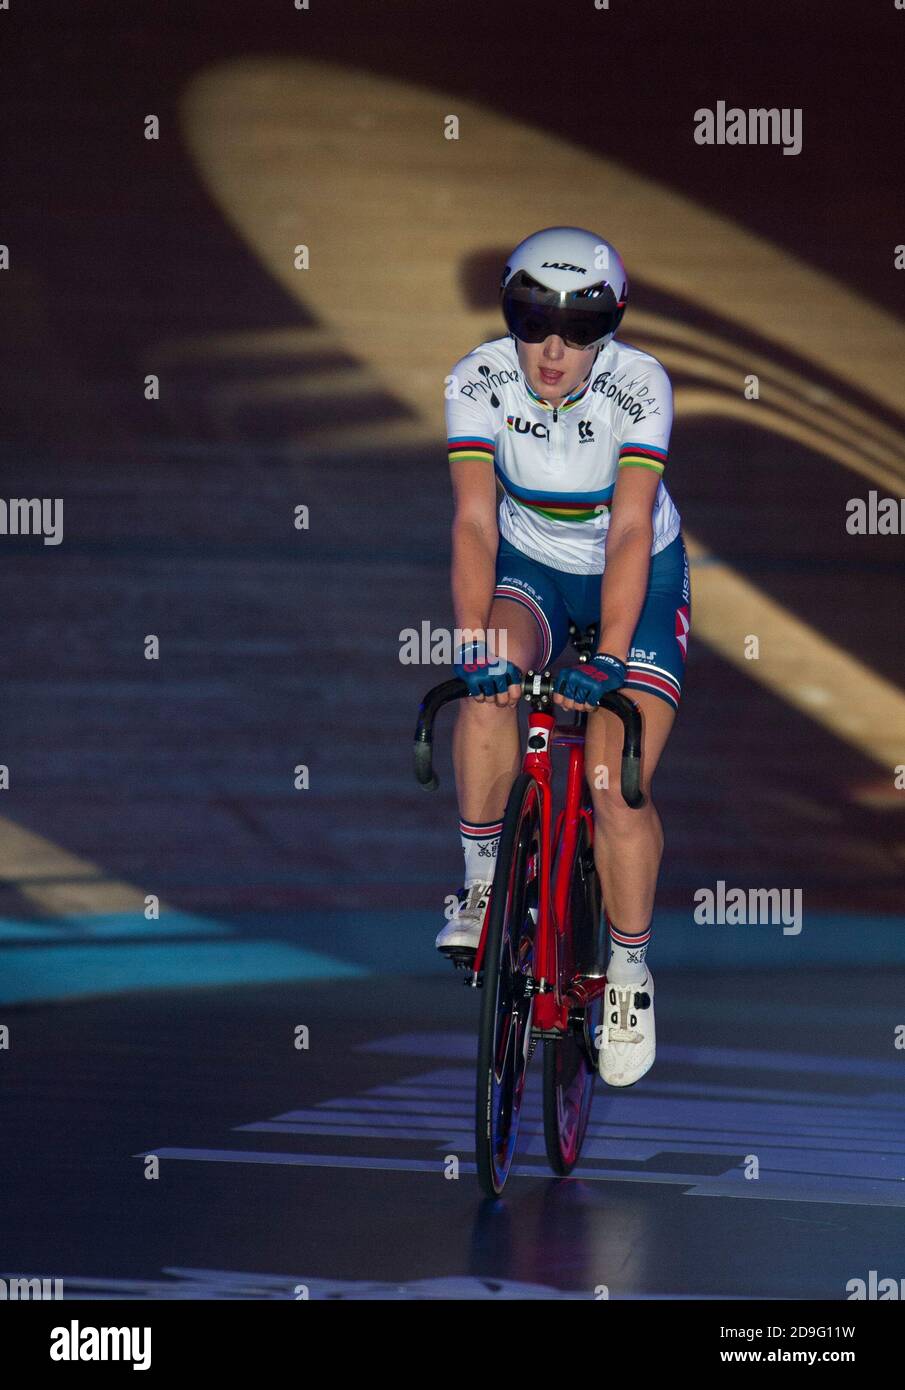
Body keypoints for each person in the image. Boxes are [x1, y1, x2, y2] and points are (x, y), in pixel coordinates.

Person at [435, 226, 691, 1088]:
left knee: (613, 779)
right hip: (533, 567)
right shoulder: (476, 379)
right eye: (531, 322)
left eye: (577, 332)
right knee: (487, 683)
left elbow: (627, 529)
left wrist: (611, 657)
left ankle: (625, 973)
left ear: (608, 331)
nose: (551, 350)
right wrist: (474, 639)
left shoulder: (639, 385)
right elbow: (473, 521)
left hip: (639, 581)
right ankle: (478, 884)